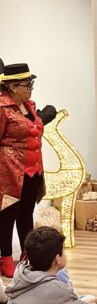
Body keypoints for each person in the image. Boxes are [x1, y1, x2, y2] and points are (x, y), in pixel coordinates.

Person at [0, 63, 45, 278]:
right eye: (25, 84)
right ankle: (6, 259)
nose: (30, 88)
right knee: (8, 215)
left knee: (26, 214)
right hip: (10, 172)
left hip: (33, 170)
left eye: (31, 83)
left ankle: (28, 256)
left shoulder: (30, 106)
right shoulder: (2, 108)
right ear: (11, 86)